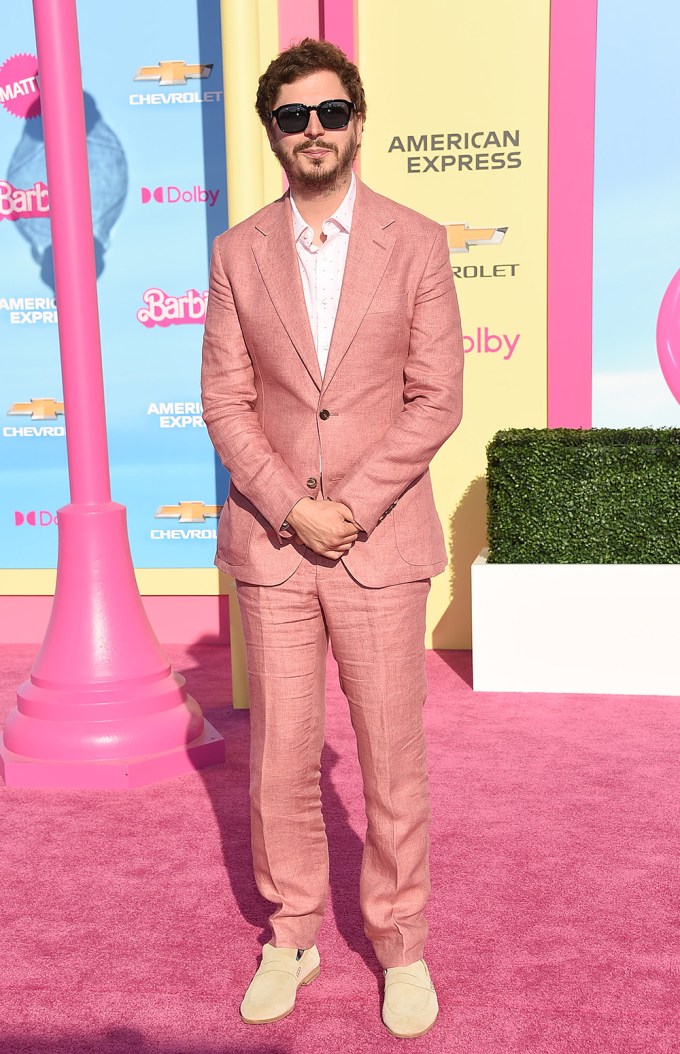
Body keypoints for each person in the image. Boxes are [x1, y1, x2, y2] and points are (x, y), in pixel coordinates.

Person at [201, 37, 463, 1039]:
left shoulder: (417, 240)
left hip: (377, 542)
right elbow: (225, 403)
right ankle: (293, 930)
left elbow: (434, 397)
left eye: (328, 113)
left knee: (391, 755)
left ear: (357, 122)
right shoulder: (234, 252)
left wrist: (346, 504)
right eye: (291, 116)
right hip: (274, 548)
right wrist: (286, 505)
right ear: (272, 131)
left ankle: (398, 941)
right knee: (278, 759)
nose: (312, 130)